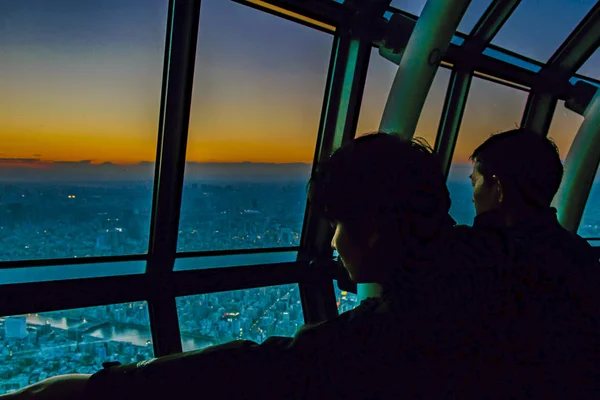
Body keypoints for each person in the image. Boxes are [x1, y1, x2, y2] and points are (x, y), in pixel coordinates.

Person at [4, 133, 510, 399]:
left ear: (374, 230)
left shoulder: (384, 338)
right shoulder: (504, 266)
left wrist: (97, 388)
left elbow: (263, 368)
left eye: (335, 224)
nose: (332, 244)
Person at [467, 128, 600, 396]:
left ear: (499, 188)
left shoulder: (484, 261)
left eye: (476, 182)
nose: (473, 195)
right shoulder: (581, 256)